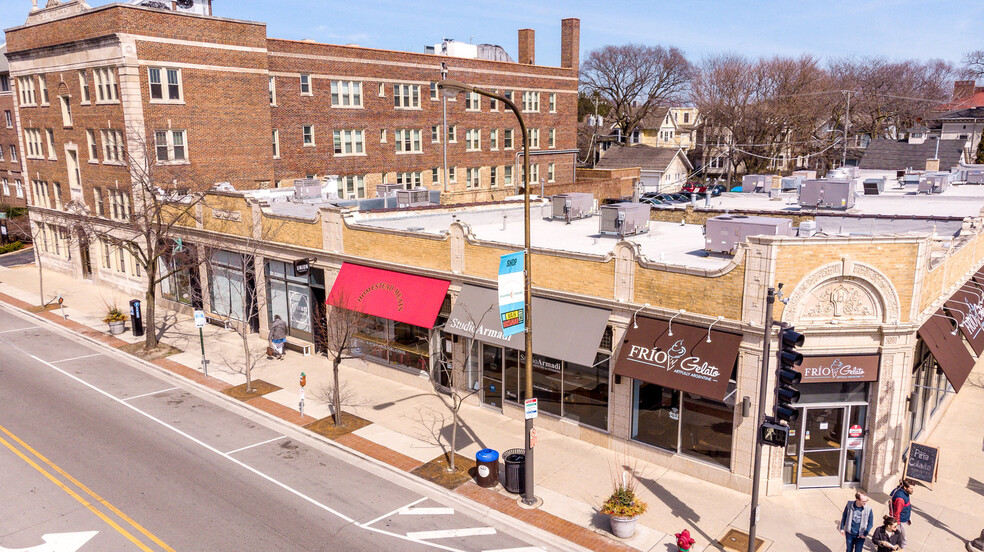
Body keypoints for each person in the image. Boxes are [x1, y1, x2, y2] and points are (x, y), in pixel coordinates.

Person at [890, 479, 914, 548]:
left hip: (904, 517)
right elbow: (897, 513)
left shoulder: (905, 492)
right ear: (905, 487)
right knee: (903, 539)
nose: (912, 490)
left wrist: (908, 517)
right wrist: (896, 525)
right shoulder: (900, 499)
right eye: (911, 488)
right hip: (900, 521)